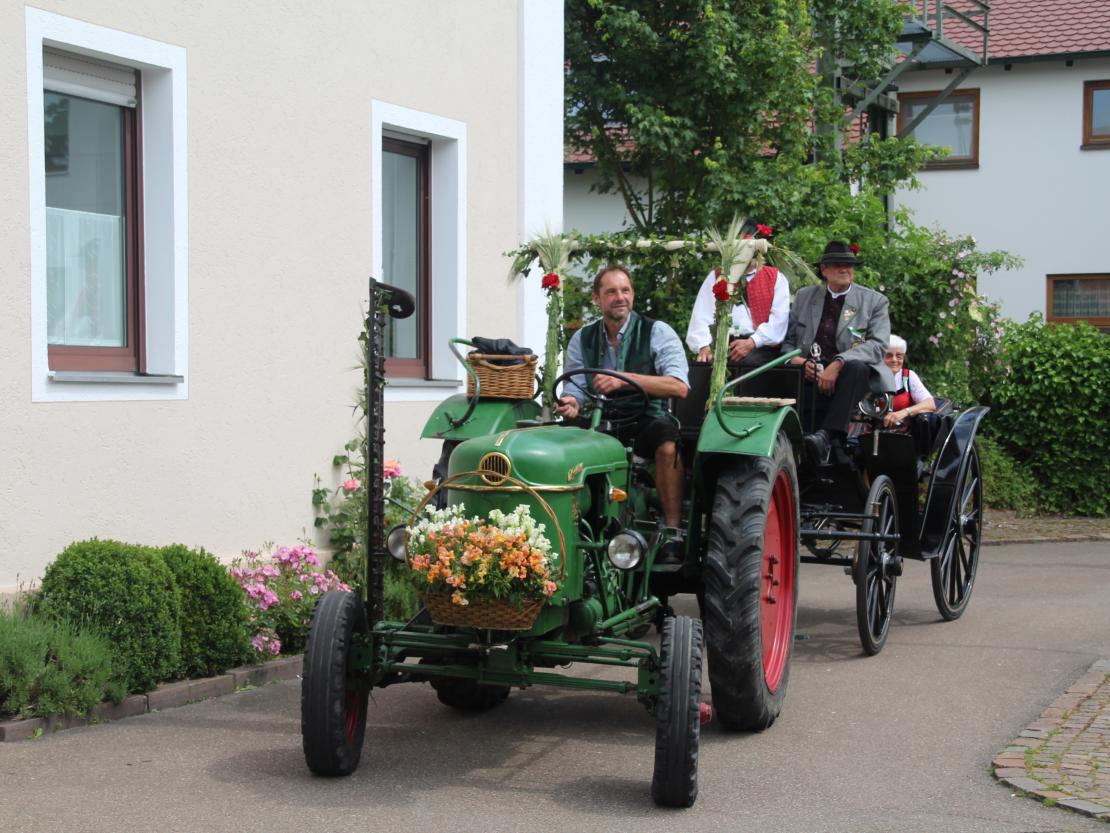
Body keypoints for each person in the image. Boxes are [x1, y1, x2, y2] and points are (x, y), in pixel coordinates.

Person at [556, 264, 690, 534]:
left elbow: (679, 386)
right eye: (611, 292)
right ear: (596, 298)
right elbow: (575, 387)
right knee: (558, 442)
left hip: (646, 419)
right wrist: (571, 402)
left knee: (667, 442)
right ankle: (569, 527)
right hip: (601, 420)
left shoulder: (657, 331)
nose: (620, 297)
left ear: (633, 295)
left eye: (625, 290)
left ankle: (672, 531)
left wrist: (623, 379)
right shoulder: (583, 337)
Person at [782, 240, 895, 462]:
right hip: (808, 372)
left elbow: (878, 345)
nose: (845, 269)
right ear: (824, 270)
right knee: (779, 376)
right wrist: (800, 362)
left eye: (849, 265)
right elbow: (788, 343)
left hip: (849, 375)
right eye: (837, 264)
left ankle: (827, 436)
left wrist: (838, 363)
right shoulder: (804, 297)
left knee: (857, 368)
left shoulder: (874, 301)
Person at [685, 231, 790, 367]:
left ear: (757, 252)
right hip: (721, 344)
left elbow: (779, 321)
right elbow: (701, 316)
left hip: (760, 346)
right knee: (702, 367)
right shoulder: (717, 276)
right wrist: (704, 345)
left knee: (749, 365)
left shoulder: (775, 278)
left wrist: (753, 341)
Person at [882, 334, 937, 429]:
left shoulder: (908, 376)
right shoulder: (870, 376)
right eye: (889, 356)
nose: (894, 360)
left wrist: (904, 412)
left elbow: (930, 404)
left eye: (899, 356)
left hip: (903, 433)